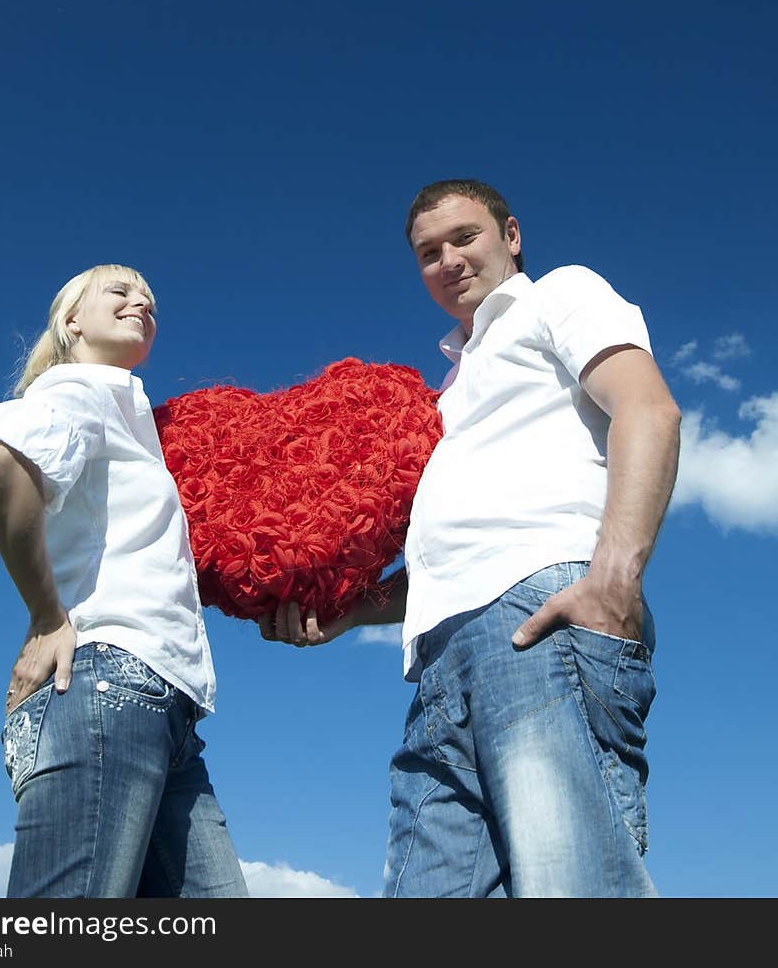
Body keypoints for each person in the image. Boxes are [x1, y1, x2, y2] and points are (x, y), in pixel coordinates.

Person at [261, 180, 681, 898]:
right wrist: (352, 611)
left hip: (543, 619)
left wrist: (614, 577)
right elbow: (446, 551)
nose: (448, 259)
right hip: (437, 661)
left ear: (510, 234)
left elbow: (648, 407)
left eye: (464, 237)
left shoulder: (560, 294)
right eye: (429, 252)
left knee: (569, 887)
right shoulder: (448, 393)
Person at [0, 264, 248, 899]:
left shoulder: (128, 414)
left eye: (148, 297)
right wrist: (46, 617)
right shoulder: (81, 387)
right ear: (71, 322)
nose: (140, 300)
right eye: (118, 291)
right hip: (107, 687)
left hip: (166, 711)